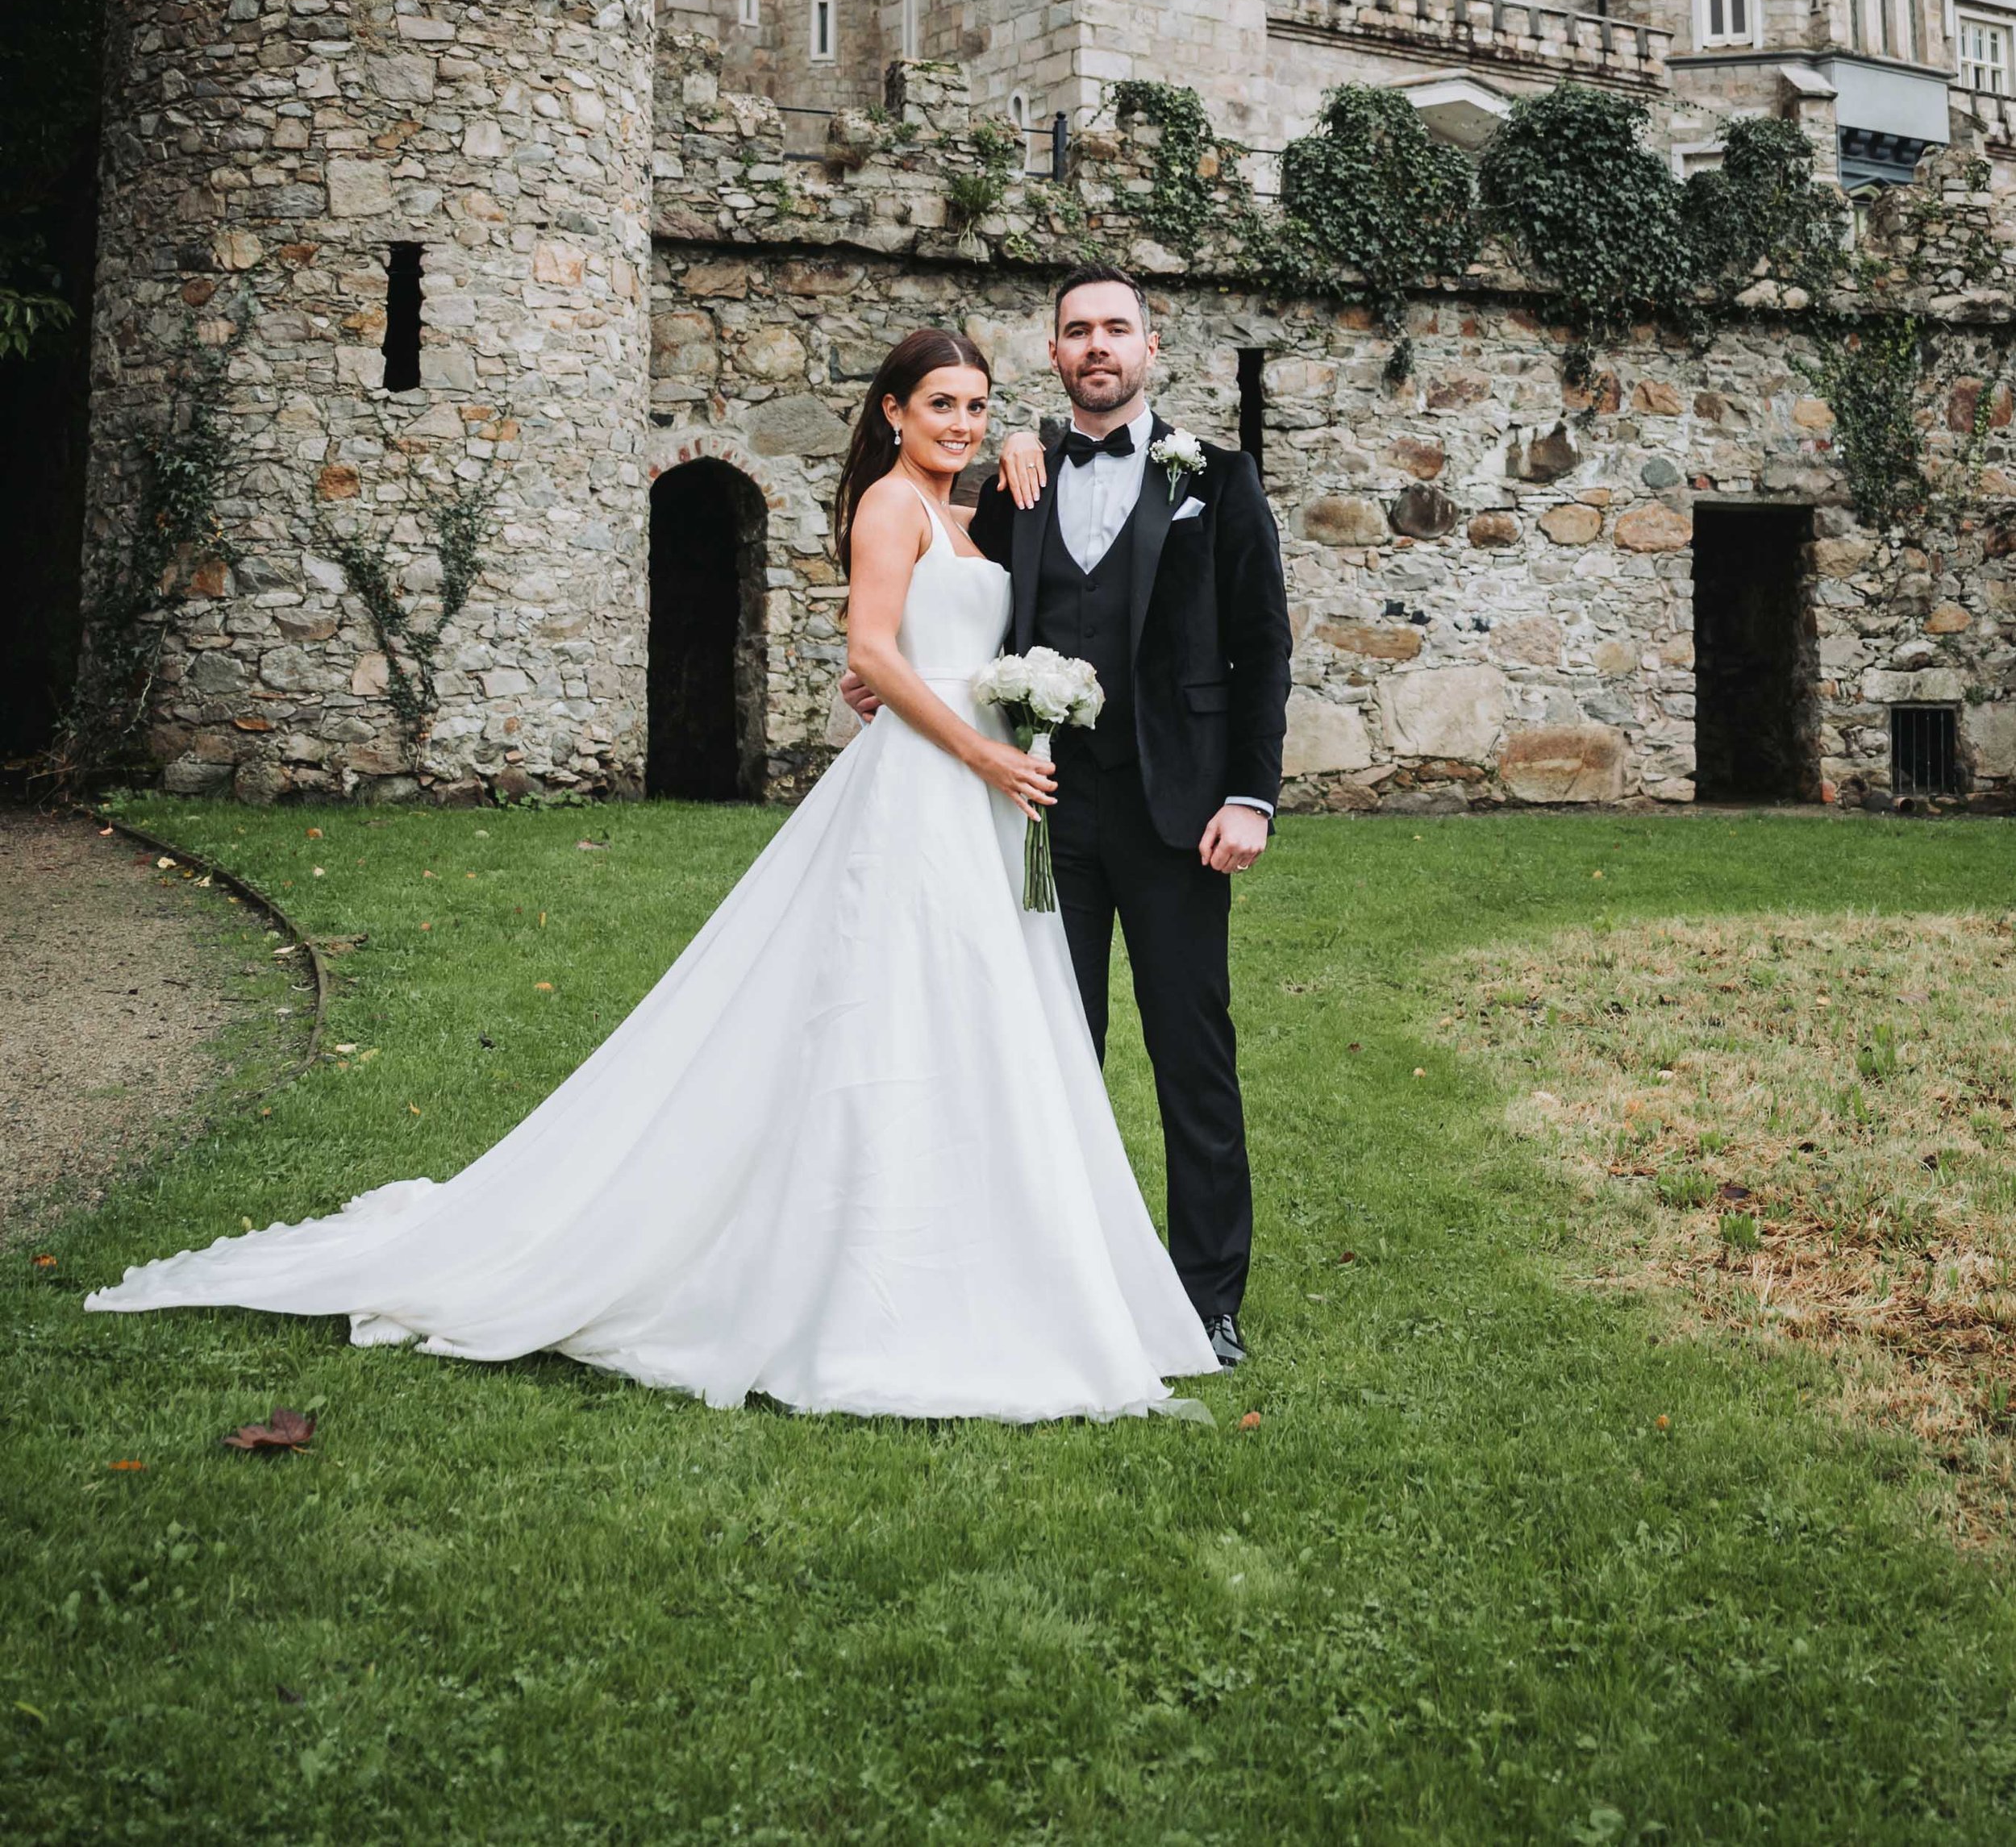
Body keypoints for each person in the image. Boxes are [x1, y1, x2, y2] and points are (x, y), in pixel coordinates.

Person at [85, 330, 1218, 1421]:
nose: (962, 425)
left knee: (979, 1021)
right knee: (886, 1012)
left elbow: (989, 603)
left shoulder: (970, 512)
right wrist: (977, 743)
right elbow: (872, 652)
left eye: (976, 407)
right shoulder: (888, 503)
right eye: (941, 406)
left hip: (981, 802)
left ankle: (994, 1263)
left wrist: (1023, 461)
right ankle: (859, 1273)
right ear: (892, 412)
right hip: (932, 785)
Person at [844, 269, 1291, 1369]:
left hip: (1181, 814)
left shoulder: (1217, 480)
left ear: (1151, 343)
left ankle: (1207, 1297)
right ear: (1054, 353)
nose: (1099, 346)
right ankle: (1059, 1280)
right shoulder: (1011, 481)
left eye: (1116, 328)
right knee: (1045, 1047)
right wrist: (889, 676)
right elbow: (947, 600)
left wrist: (1250, 796)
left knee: (1193, 1054)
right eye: (1078, 331)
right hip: (1033, 811)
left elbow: (1262, 646)